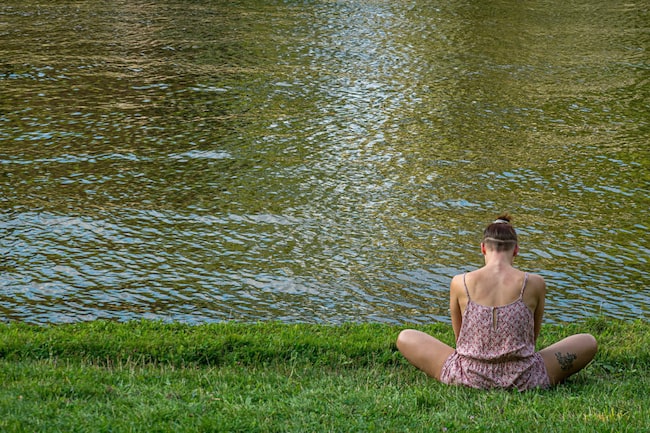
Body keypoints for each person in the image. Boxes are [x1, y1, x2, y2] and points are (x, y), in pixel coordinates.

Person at [396, 214, 597, 391]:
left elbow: (460, 341)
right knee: (588, 341)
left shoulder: (460, 282)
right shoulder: (535, 283)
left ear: (483, 248)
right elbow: (532, 340)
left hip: (467, 374)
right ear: (516, 250)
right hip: (525, 377)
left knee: (405, 337)